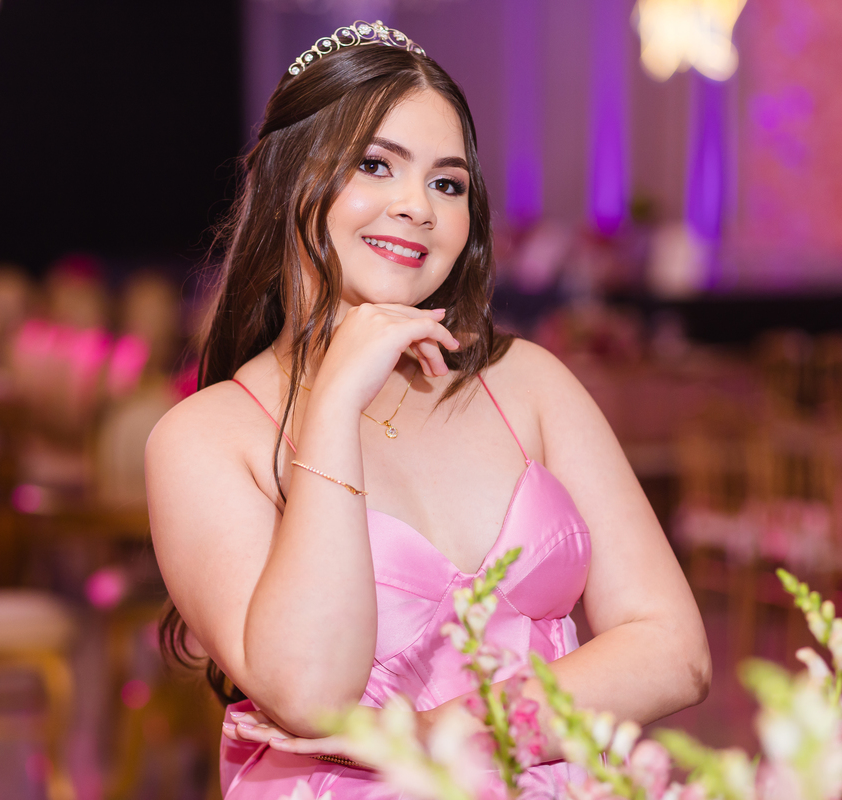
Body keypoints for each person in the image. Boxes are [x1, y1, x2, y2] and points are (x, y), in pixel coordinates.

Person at [146, 20, 710, 799]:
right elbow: (310, 691)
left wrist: (439, 735)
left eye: (447, 184)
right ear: (287, 180)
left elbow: (675, 650)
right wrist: (334, 401)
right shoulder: (205, 438)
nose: (418, 206)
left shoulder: (528, 383)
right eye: (376, 165)